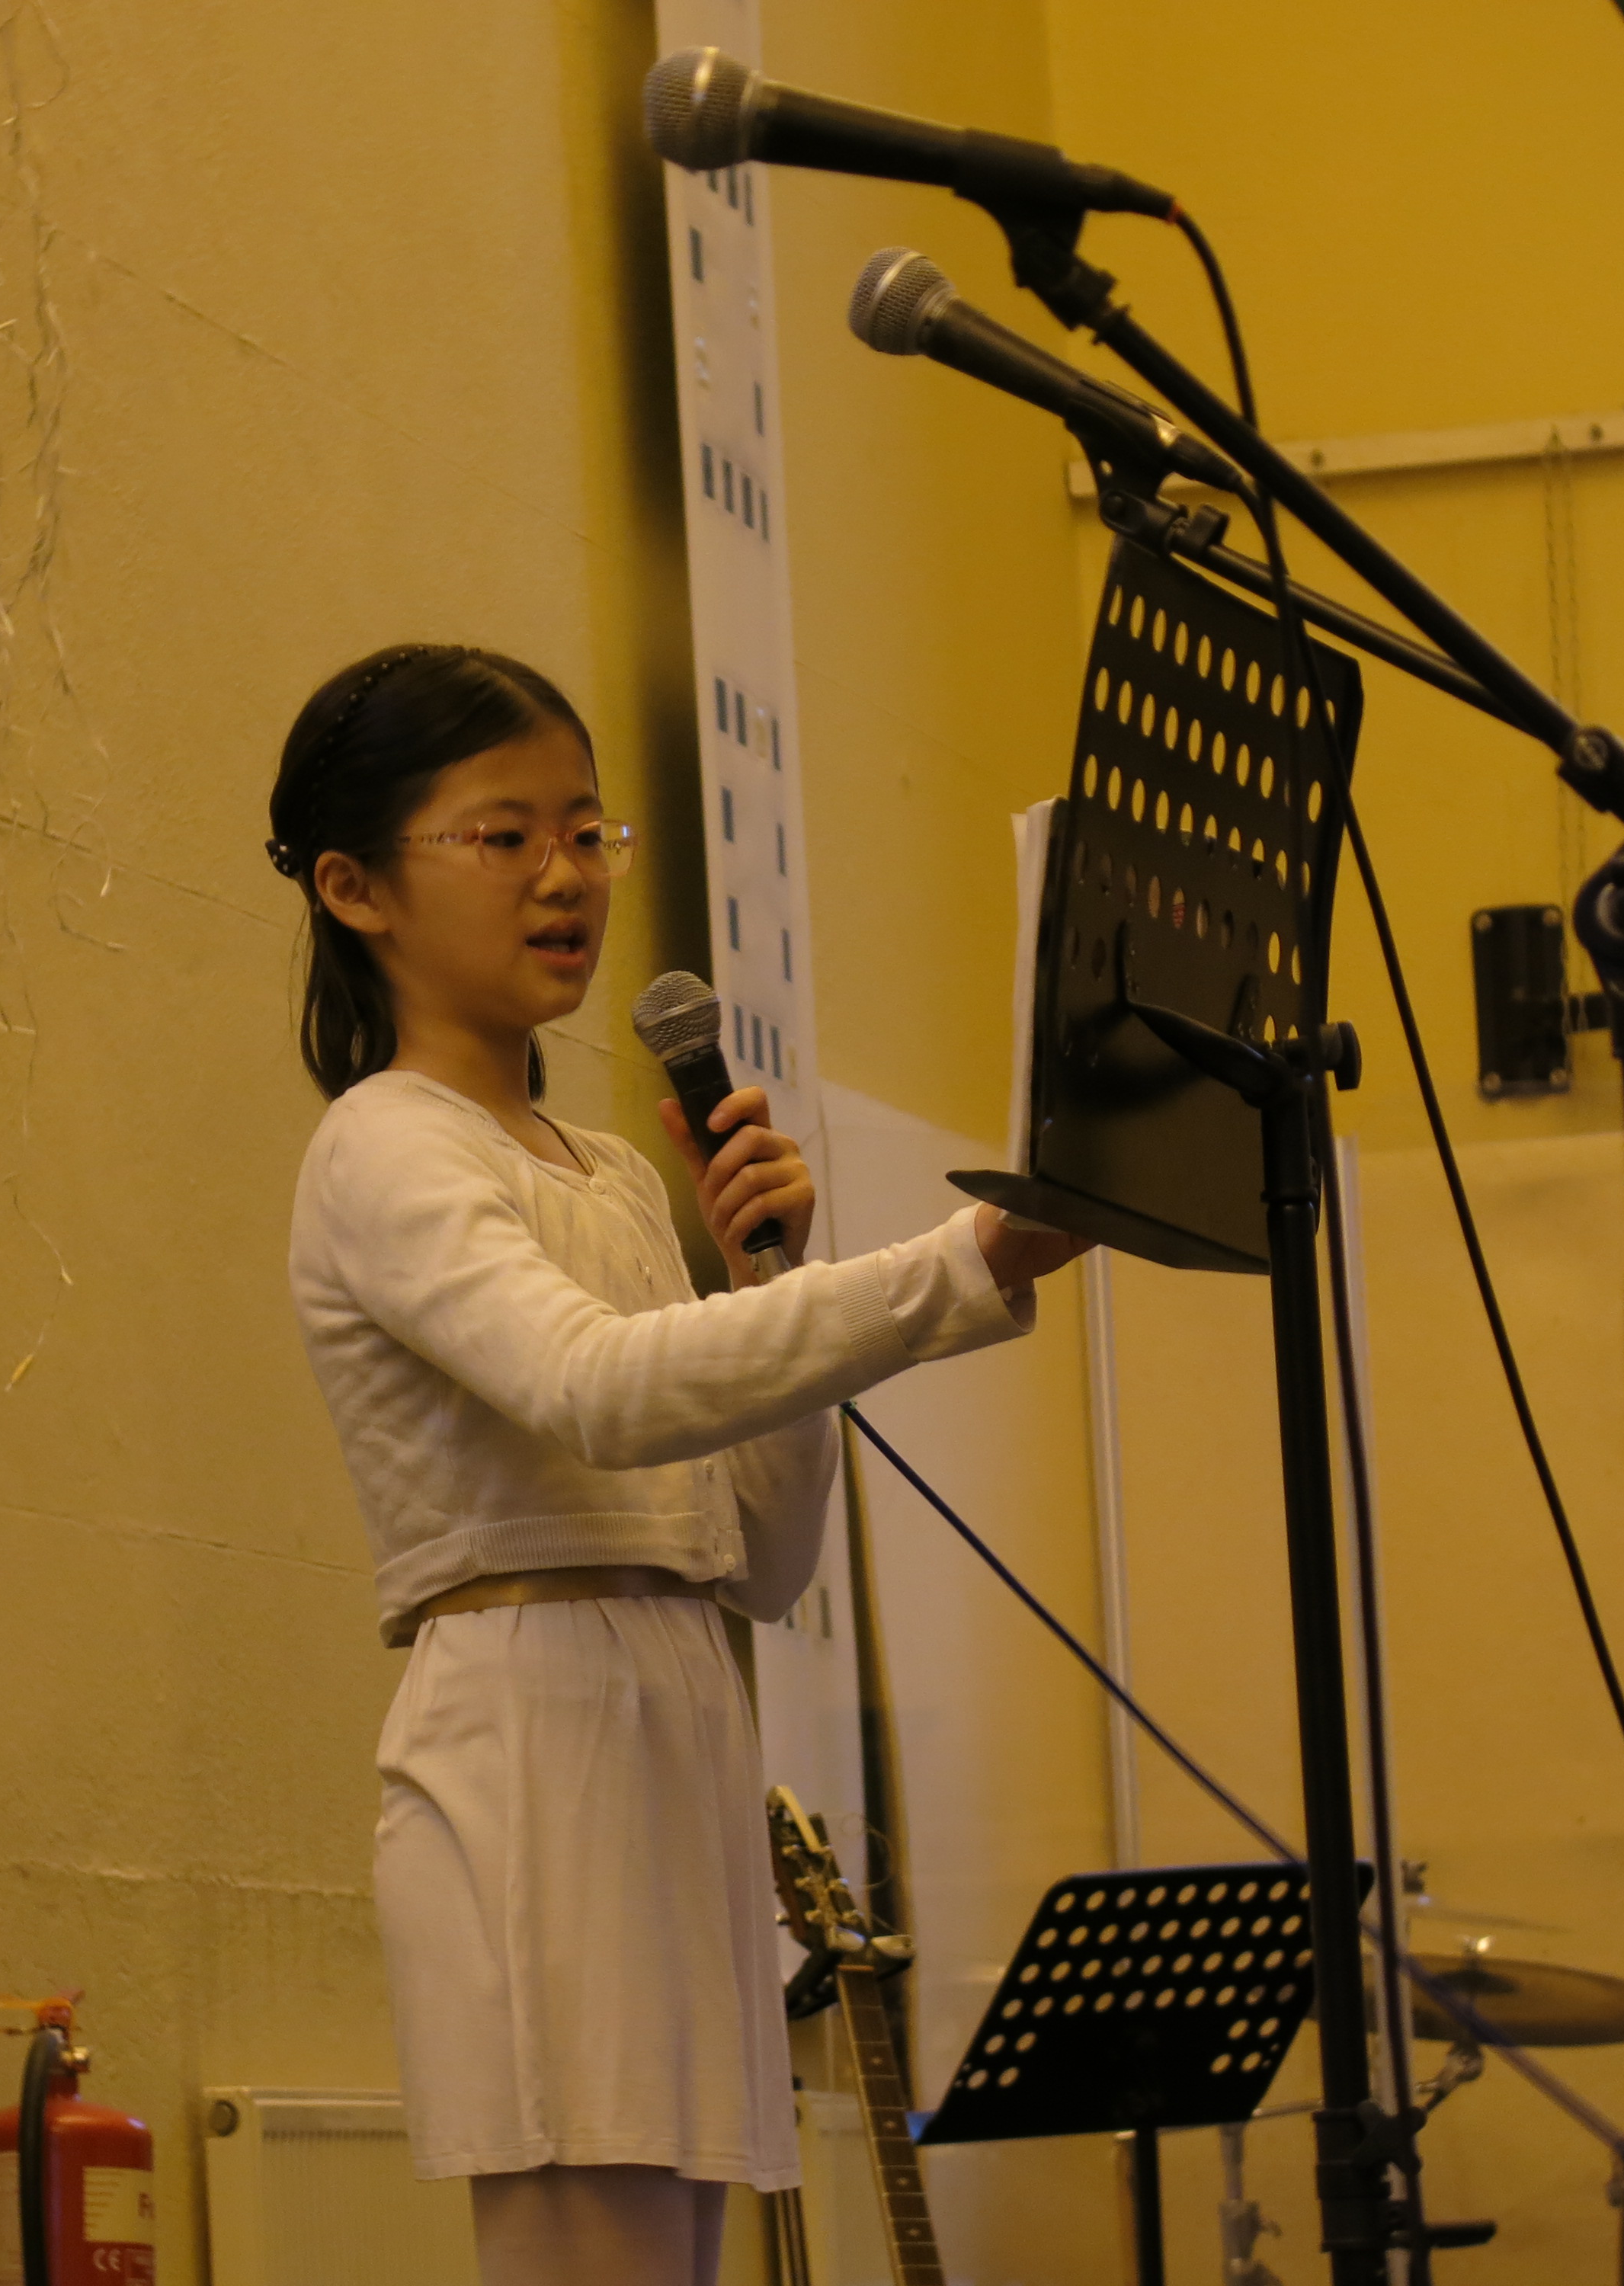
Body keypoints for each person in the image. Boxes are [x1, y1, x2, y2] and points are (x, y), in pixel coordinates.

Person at [271, 644, 1088, 2286]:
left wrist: (771, 1280)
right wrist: (963, 1263)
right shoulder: (383, 1144)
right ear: (355, 889)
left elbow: (762, 1558)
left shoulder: (614, 1177)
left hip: (677, 1716)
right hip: (535, 1731)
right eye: (505, 836)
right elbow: (593, 1393)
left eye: (587, 832)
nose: (566, 876)